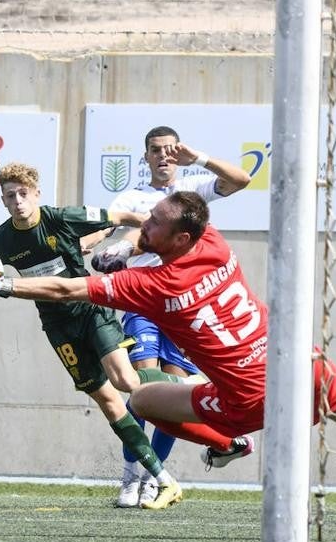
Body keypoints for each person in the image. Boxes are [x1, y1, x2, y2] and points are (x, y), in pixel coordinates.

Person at [0, 191, 336, 542]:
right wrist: (128, 245)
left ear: (181, 239)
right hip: (303, 364)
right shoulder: (214, 243)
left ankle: (228, 442)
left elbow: (64, 288)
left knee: (143, 398)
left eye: (154, 224)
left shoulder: (155, 287)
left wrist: (2, 284)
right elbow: (156, 234)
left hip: (251, 399)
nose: (144, 225)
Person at [0, 162, 244, 510]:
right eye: (10, 196)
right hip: (58, 326)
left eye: (23, 194)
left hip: (91, 308)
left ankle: (190, 388)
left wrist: (147, 241)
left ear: (36, 195)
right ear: (3, 201)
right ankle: (161, 479)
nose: (17, 201)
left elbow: (119, 216)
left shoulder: (61, 217)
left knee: (127, 381)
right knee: (109, 404)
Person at [95, 126, 251, 508]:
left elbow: (242, 179)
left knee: (177, 392)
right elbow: (106, 232)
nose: (163, 156)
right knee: (142, 385)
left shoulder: (193, 189)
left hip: (187, 304)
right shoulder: (132, 197)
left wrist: (197, 156)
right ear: (145, 157)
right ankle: (131, 475)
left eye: (170, 150)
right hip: (146, 298)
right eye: (155, 150)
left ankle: (154, 477)